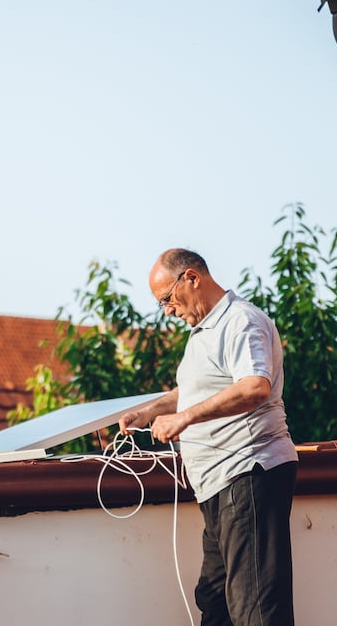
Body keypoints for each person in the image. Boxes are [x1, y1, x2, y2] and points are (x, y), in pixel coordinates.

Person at [118, 248, 297, 626]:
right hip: (218, 484)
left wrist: (184, 419)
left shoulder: (241, 321)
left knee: (256, 608)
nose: (167, 311)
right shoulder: (202, 333)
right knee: (215, 604)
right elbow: (191, 391)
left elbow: (254, 386)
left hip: (248, 473)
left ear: (192, 278)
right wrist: (148, 412)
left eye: (167, 299)